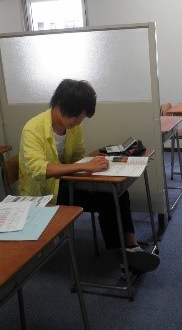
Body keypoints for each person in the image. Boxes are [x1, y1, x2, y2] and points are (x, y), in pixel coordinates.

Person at [19, 78, 160, 274]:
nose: (78, 122)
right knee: (108, 199)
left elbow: (78, 157)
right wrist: (82, 168)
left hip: (67, 183)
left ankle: (131, 246)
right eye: (77, 116)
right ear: (60, 104)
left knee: (119, 193)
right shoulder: (33, 128)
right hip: (46, 193)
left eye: (82, 117)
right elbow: (39, 170)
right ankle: (123, 254)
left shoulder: (73, 128)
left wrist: (93, 164)